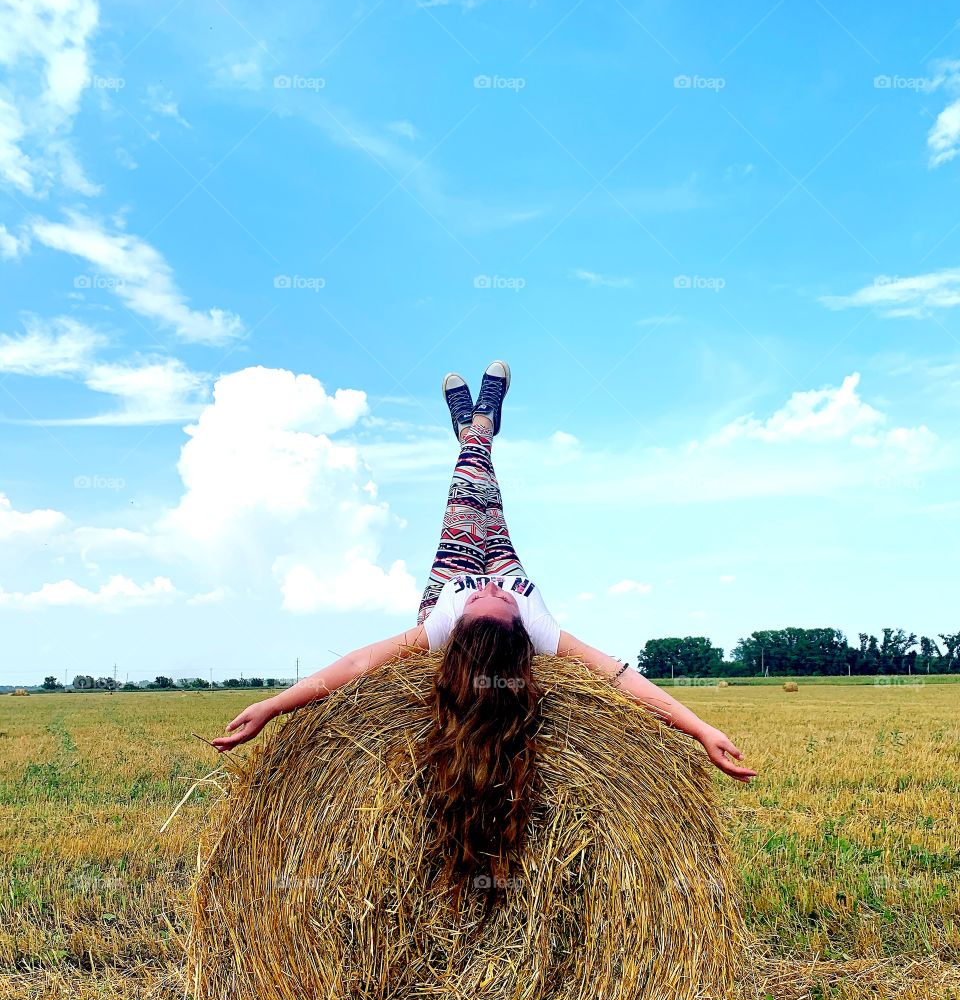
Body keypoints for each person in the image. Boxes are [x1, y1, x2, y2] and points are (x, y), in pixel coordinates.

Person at [213, 361, 757, 903]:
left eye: (486, 601)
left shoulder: (447, 619)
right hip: (508, 557)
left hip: (447, 575)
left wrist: (273, 706)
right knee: (488, 498)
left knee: (465, 490)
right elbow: (620, 679)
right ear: (520, 625)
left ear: (463, 626)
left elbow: (356, 666)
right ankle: (480, 427)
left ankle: (475, 429)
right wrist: (700, 727)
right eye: (501, 602)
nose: (493, 590)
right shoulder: (533, 621)